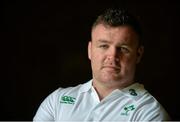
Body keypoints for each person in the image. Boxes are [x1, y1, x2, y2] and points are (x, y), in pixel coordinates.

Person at [33, 7, 170, 121]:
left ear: (138, 54)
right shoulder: (57, 101)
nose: (112, 56)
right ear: (90, 50)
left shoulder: (150, 113)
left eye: (123, 48)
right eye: (104, 45)